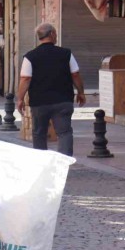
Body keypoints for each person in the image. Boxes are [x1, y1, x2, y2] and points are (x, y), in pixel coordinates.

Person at [16, 23, 86, 156]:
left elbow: (25, 79)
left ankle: (41, 162)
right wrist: (81, 92)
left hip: (39, 102)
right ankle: (64, 163)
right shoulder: (66, 54)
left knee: (39, 133)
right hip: (63, 100)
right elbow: (75, 74)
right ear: (52, 34)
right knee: (64, 133)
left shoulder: (30, 57)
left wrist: (20, 99)